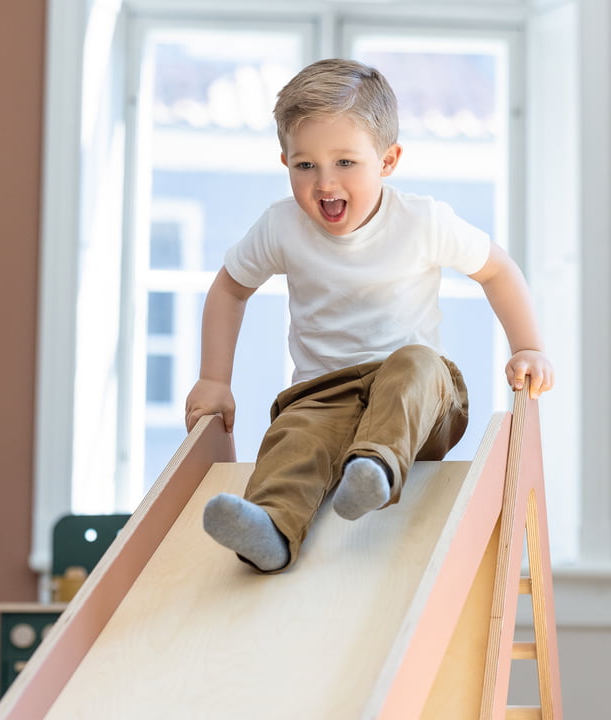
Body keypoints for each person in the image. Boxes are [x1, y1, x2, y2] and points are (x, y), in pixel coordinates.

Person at [184, 58, 554, 574]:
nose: (324, 183)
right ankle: (270, 530)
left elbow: (496, 270)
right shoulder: (281, 226)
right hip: (323, 395)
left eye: (345, 163)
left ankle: (374, 468)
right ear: (285, 162)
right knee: (293, 437)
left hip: (417, 405)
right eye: (305, 165)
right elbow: (229, 289)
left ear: (388, 160)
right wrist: (213, 379)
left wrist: (527, 346)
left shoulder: (422, 221)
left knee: (416, 363)